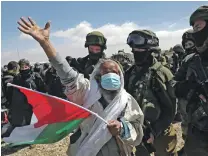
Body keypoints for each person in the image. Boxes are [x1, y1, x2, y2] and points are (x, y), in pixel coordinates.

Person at [17, 16, 144, 156]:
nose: (110, 74)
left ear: (121, 76)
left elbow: (137, 131)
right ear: (98, 76)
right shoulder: (87, 91)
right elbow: (66, 72)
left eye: (114, 72)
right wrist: (45, 43)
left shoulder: (127, 101)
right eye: (105, 71)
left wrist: (122, 128)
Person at [174, 4, 208, 156]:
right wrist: (187, 88)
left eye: (198, 27)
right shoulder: (191, 60)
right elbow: (173, 85)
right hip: (197, 135)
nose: (195, 33)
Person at [124, 29, 179, 156]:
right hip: (140, 131)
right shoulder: (130, 73)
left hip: (161, 130)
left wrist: (154, 131)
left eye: (139, 50)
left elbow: (170, 109)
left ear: (150, 49)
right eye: (133, 49)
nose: (135, 52)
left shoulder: (161, 73)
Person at [9, 59, 46, 127]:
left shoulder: (36, 76)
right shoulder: (17, 78)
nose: (24, 69)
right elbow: (15, 92)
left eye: (26, 67)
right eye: (22, 67)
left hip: (37, 103)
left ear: (29, 67)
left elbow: (42, 89)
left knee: (39, 121)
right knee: (29, 122)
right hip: (25, 105)